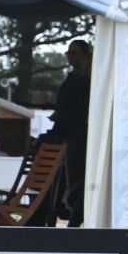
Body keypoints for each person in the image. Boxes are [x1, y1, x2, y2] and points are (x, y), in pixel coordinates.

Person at [41, 39, 92, 227]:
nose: (71, 56)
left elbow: (79, 108)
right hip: (65, 132)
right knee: (59, 176)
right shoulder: (73, 77)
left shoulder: (86, 79)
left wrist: (63, 116)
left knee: (75, 178)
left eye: (75, 53)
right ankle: (53, 210)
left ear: (85, 55)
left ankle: (71, 214)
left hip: (75, 135)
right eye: (69, 53)